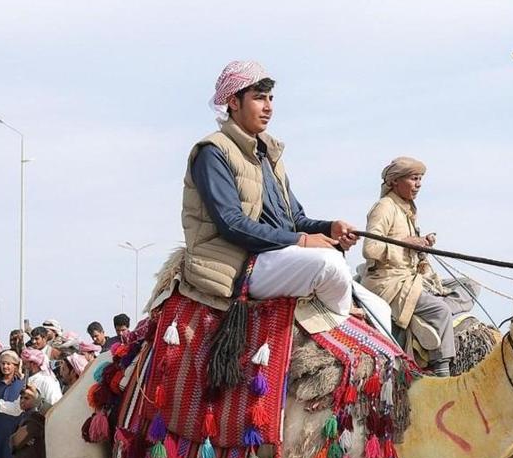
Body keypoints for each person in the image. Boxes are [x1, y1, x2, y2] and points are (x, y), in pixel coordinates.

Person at [179, 60, 361, 331]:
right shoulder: (212, 152)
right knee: (330, 265)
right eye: (259, 98)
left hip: (275, 256)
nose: (268, 107)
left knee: (377, 306)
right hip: (239, 263)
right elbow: (231, 224)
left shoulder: (268, 155)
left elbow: (294, 219)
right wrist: (301, 241)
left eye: (271, 98)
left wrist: (330, 229)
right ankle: (331, 325)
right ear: (234, 102)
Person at [361, 157, 475, 376]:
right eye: (414, 179)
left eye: (420, 179)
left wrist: (421, 243)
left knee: (470, 286)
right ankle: (442, 372)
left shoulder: (407, 210)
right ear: (395, 181)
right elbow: (370, 248)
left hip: (413, 279)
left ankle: (421, 319)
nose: (419, 184)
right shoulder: (384, 207)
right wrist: (407, 242)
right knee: (441, 310)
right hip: (390, 282)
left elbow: (406, 245)